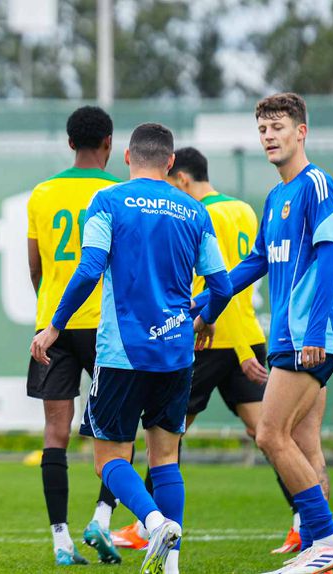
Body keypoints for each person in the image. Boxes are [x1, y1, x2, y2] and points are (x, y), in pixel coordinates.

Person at [31, 123, 233, 574]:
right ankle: (173, 562)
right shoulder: (195, 211)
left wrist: (54, 326)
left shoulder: (108, 201)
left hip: (123, 353)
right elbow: (220, 284)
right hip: (178, 352)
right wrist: (206, 320)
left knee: (109, 461)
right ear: (170, 161)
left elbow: (88, 270)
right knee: (165, 457)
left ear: (126, 157)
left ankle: (155, 521)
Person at [193, 93, 333, 574]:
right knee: (301, 441)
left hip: (309, 338)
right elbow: (254, 264)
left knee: (268, 434)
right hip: (288, 336)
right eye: (262, 129)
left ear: (301, 131)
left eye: (277, 128)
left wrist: (315, 330)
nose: (268, 137)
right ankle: (314, 542)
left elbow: (331, 259)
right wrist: (206, 305)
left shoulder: (317, 184)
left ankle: (327, 540)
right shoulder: (276, 196)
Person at [113, 146, 301, 554]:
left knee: (167, 435)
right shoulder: (244, 210)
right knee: (266, 432)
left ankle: (146, 524)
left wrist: (232, 346)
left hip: (210, 336)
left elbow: (220, 287)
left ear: (180, 178)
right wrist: (243, 347)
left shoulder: (197, 213)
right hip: (247, 333)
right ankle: (302, 518)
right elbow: (242, 281)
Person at [25, 105, 122, 566]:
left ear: (69, 143)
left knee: (55, 432)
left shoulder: (42, 193)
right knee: (116, 430)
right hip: (108, 325)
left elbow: (36, 267)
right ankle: (102, 519)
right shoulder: (121, 192)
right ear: (109, 144)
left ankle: (60, 541)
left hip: (54, 326)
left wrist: (50, 312)